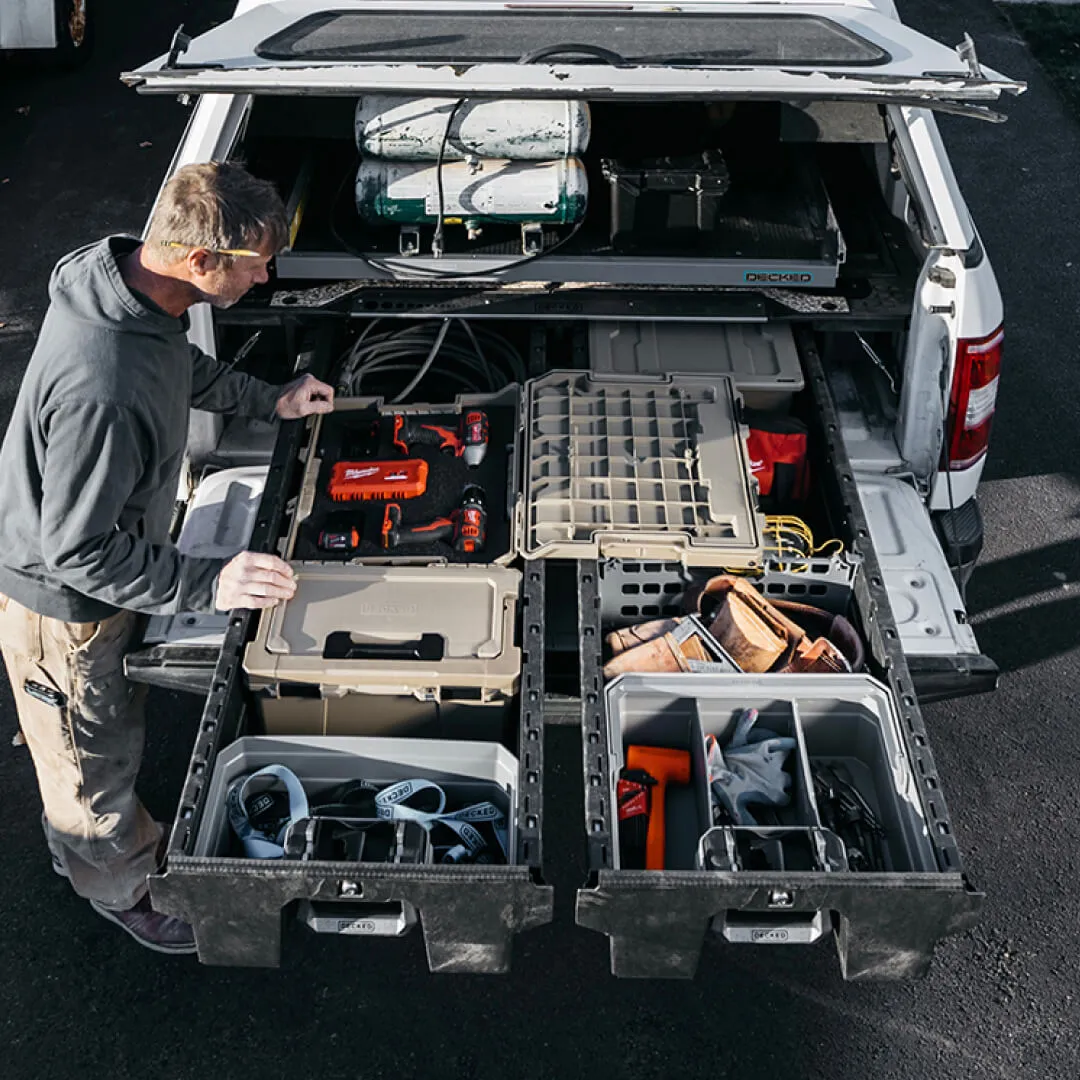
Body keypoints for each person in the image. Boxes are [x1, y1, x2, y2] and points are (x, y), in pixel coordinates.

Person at [0, 161, 335, 955]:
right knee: (90, 763)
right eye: (257, 262)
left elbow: (176, 368)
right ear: (200, 262)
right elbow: (77, 548)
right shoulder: (102, 385)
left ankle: (85, 846)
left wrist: (268, 398)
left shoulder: (133, 289)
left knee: (94, 736)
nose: (269, 273)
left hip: (101, 565)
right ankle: (120, 884)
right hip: (64, 609)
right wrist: (207, 581)